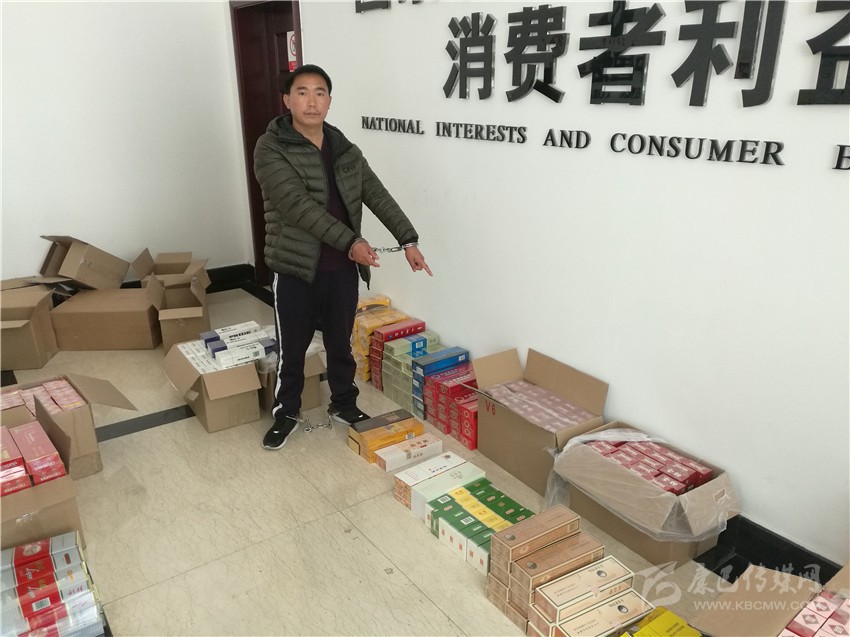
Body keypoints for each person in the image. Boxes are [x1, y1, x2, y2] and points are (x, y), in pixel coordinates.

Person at [254, 64, 432, 451]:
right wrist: (352, 242)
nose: (311, 101)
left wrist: (408, 240)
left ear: (330, 101)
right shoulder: (270, 148)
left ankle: (344, 404)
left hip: (341, 269)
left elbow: (377, 194)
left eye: (320, 93)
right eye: (302, 92)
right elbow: (297, 206)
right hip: (295, 267)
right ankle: (286, 412)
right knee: (293, 349)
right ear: (287, 100)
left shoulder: (344, 149)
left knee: (341, 343)